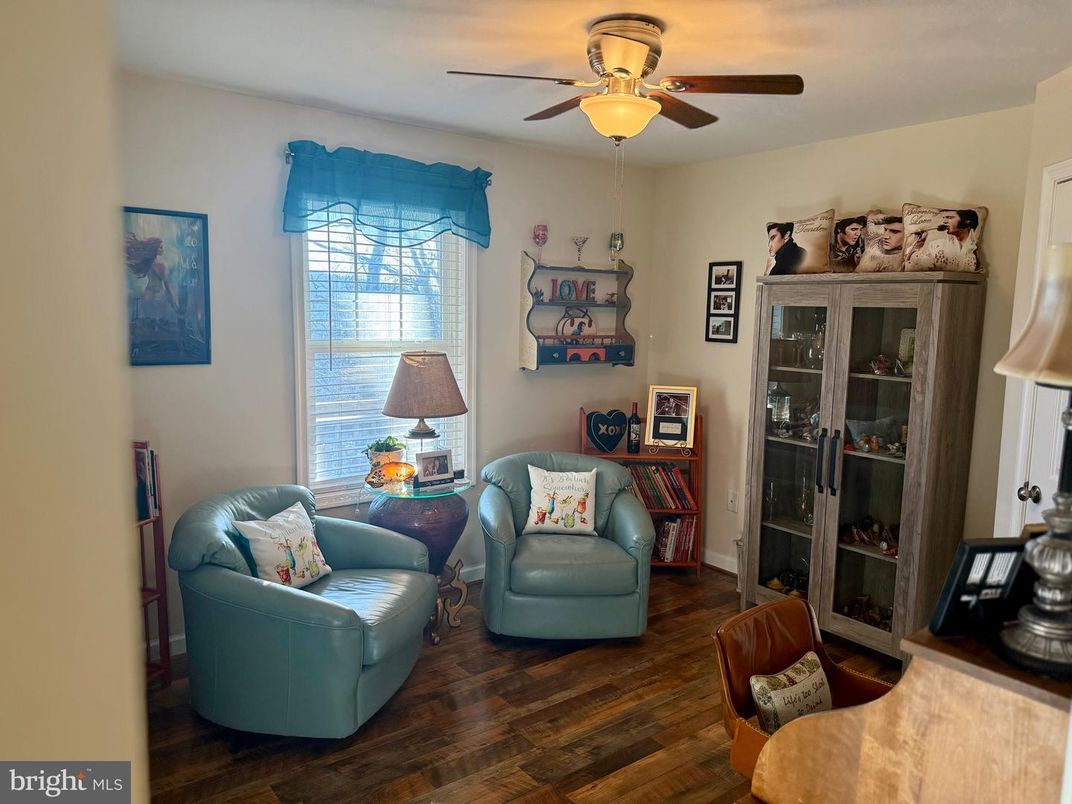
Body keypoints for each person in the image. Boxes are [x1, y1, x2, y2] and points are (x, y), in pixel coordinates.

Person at [904, 209, 980, 271]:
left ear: (967, 222)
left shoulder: (976, 249)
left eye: (949, 217)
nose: (944, 221)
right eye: (944, 218)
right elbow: (914, 268)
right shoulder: (936, 246)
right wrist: (918, 245)